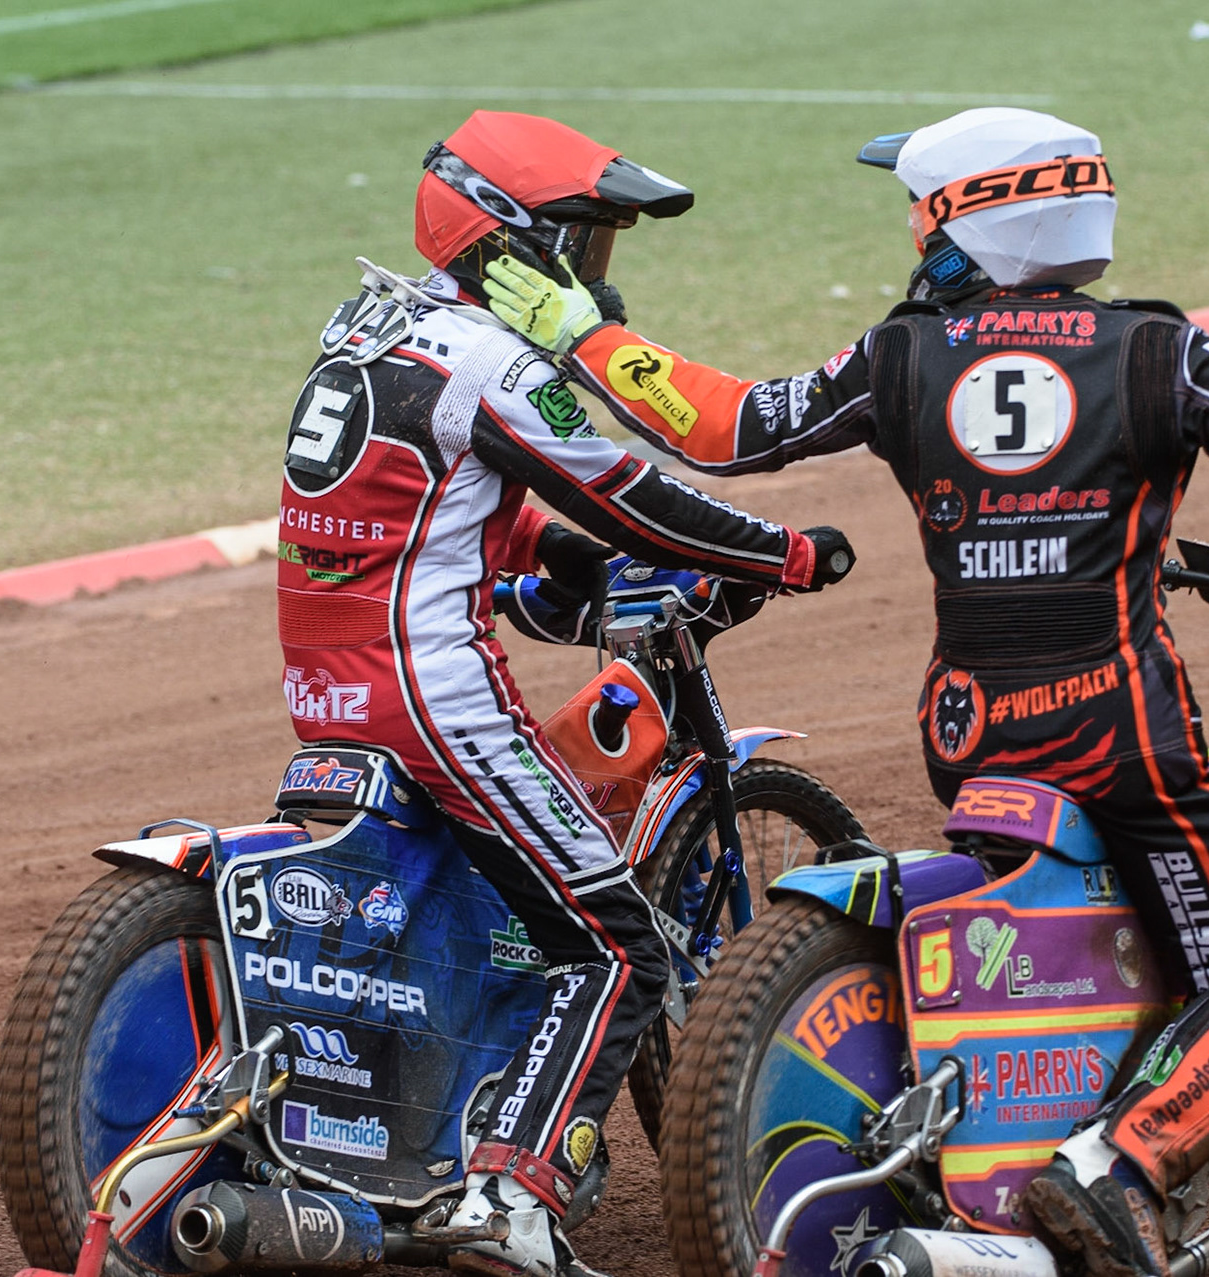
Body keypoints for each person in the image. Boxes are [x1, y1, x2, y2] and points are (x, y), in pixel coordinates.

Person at [482, 107, 1209, 1277]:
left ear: (968, 223)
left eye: (917, 211)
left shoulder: (902, 355)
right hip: (1119, 729)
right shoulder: (1159, 350)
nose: (910, 234)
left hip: (969, 728)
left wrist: (582, 335)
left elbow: (731, 427)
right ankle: (1120, 1162)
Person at [278, 109, 853, 1277]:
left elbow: (453, 510)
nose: (595, 278)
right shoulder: (488, 359)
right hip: (435, 696)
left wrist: (564, 570)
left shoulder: (367, 328)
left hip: (326, 690)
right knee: (616, 944)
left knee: (473, 922)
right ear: (508, 243)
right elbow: (629, 492)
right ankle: (510, 1194)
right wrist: (783, 553)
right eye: (581, 246)